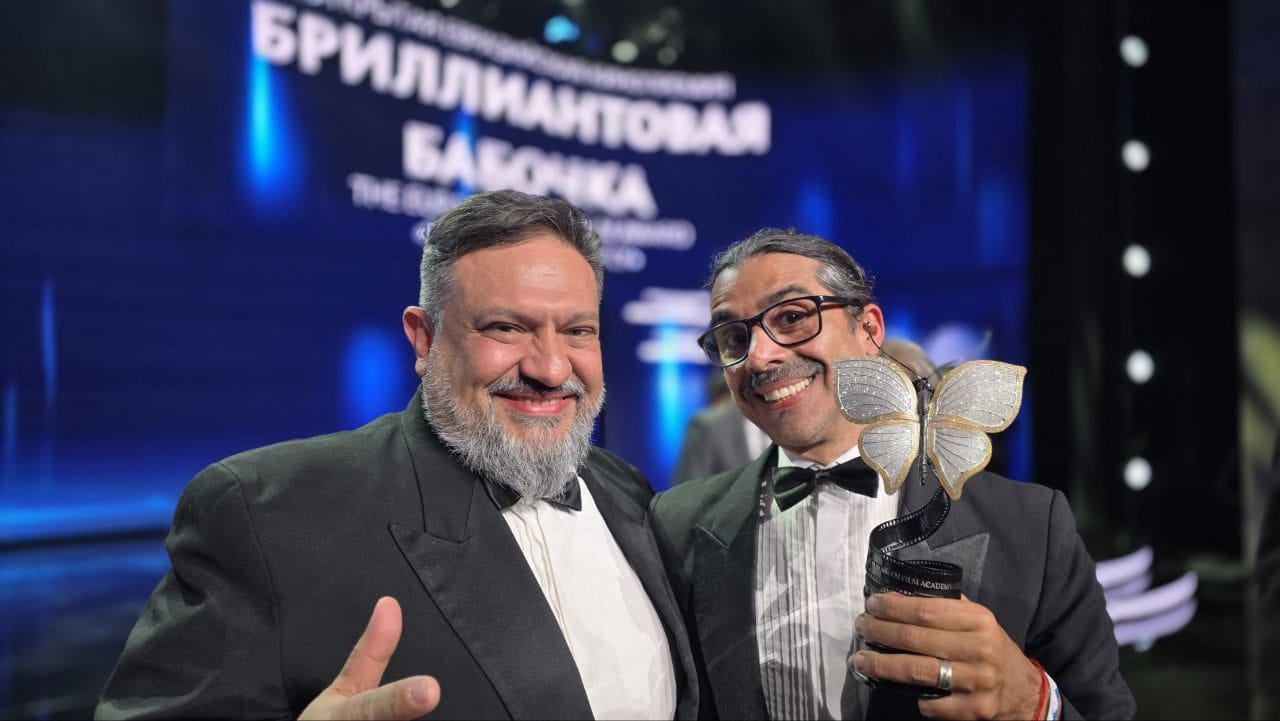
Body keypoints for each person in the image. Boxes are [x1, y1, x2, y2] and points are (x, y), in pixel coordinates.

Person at [96, 190, 698, 720]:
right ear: (424, 337)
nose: (550, 367)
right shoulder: (268, 515)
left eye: (577, 331)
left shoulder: (626, 491)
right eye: (506, 328)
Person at [650, 228, 1134, 720]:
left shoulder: (1031, 525)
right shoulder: (676, 526)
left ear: (868, 331)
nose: (759, 356)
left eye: (792, 317)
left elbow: (1103, 710)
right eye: (734, 338)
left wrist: (1034, 702)